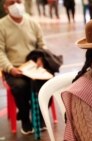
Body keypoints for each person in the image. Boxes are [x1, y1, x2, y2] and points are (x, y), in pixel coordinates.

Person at [0, 0, 47, 135]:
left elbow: (42, 44)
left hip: (33, 67)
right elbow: (0, 51)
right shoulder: (2, 25)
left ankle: (41, 115)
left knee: (46, 83)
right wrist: (10, 68)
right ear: (6, 7)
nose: (16, 5)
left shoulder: (32, 22)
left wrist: (41, 58)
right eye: (12, 2)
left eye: (18, 1)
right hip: (13, 68)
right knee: (21, 86)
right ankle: (25, 119)